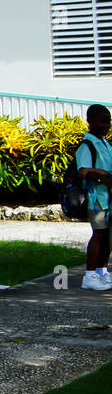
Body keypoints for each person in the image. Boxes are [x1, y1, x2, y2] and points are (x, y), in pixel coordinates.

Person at [74, 103, 112, 290]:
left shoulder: (105, 144)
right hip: (96, 198)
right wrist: (103, 176)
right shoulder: (87, 146)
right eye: (102, 122)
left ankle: (102, 272)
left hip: (108, 199)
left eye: (108, 122)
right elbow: (83, 172)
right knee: (99, 234)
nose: (106, 126)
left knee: (107, 237)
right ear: (90, 121)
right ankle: (89, 275)